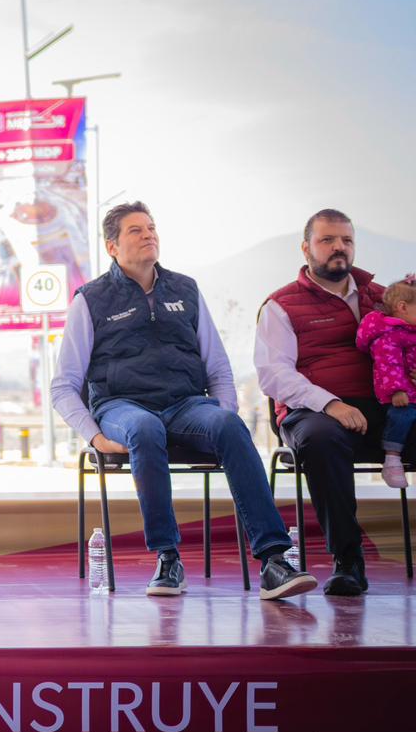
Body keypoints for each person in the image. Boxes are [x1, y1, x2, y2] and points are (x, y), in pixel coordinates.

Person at [53, 202, 315, 600]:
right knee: (145, 428)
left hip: (185, 405)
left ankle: (274, 561)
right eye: (136, 230)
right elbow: (63, 385)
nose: (149, 234)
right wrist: (95, 437)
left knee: (229, 425)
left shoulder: (185, 290)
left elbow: (218, 368)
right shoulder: (90, 300)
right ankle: (168, 558)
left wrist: (222, 413)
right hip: (121, 406)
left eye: (151, 227)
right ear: (112, 246)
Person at [255, 210, 416, 596]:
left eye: (346, 240)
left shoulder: (384, 298)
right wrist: (330, 404)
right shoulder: (281, 305)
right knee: (322, 439)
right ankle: (348, 562)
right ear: (306, 248)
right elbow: (274, 375)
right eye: (327, 240)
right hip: (313, 413)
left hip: (385, 409)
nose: (338, 247)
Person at [356, 276, 416, 487]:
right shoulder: (387, 334)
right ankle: (392, 458)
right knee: (402, 416)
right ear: (403, 307)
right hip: (402, 395)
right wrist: (396, 390)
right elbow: (388, 365)